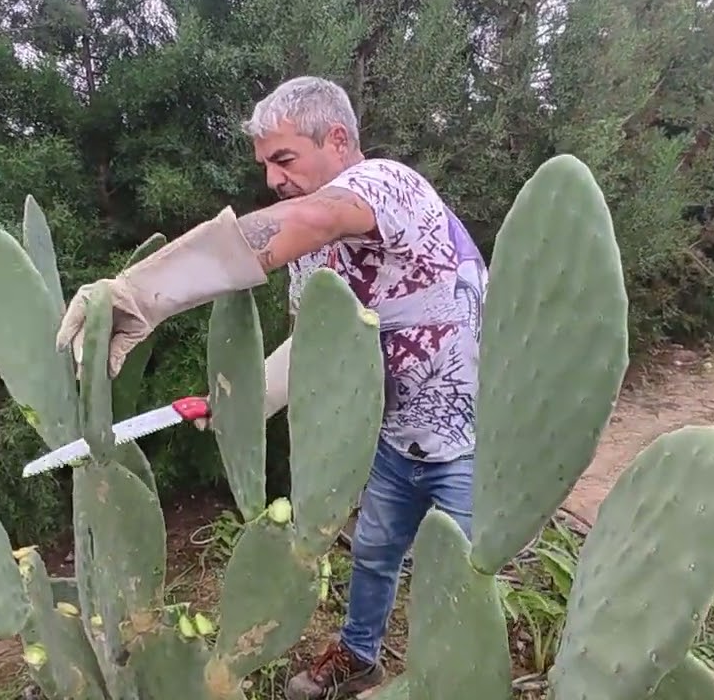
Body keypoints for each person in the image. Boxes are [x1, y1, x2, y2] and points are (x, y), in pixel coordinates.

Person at [55, 76, 488, 699]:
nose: (273, 180)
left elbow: (313, 216)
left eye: (284, 159)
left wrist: (143, 291)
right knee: (373, 552)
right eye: (265, 165)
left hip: (470, 439)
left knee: (464, 585)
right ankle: (360, 656)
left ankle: (455, 684)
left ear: (337, 140)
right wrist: (243, 407)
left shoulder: (387, 184)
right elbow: (318, 350)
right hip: (392, 441)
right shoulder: (313, 261)